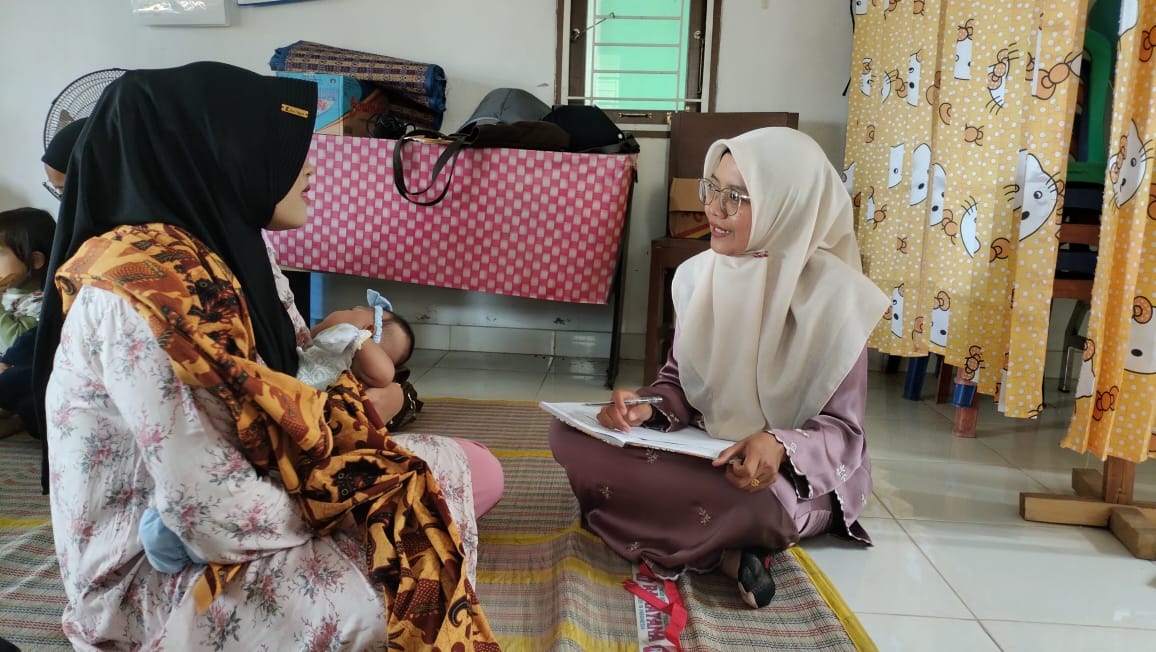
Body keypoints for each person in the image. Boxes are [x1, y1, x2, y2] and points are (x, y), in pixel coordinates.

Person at [32, 61, 503, 650]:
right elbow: (208, 516)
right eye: (282, 149)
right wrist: (343, 497)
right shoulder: (141, 295)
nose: (308, 167)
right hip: (156, 572)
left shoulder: (231, 248)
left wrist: (353, 470)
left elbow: (299, 384)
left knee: (451, 473)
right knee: (396, 596)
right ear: (219, 154)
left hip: (264, 490)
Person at [549, 127, 888, 609]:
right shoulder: (697, 276)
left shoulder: (840, 299)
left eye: (737, 197)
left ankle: (691, 528)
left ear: (787, 205)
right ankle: (732, 552)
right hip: (709, 454)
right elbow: (678, 383)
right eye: (711, 188)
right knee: (569, 436)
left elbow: (844, 433)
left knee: (760, 499)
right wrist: (645, 408)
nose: (713, 208)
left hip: (781, 476)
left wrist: (777, 444)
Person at [0, 207, 56, 439]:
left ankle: (17, 418)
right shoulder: (7, 294)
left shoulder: (41, 301)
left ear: (35, 260)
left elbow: (15, 342)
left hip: (19, 371)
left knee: (28, 389)